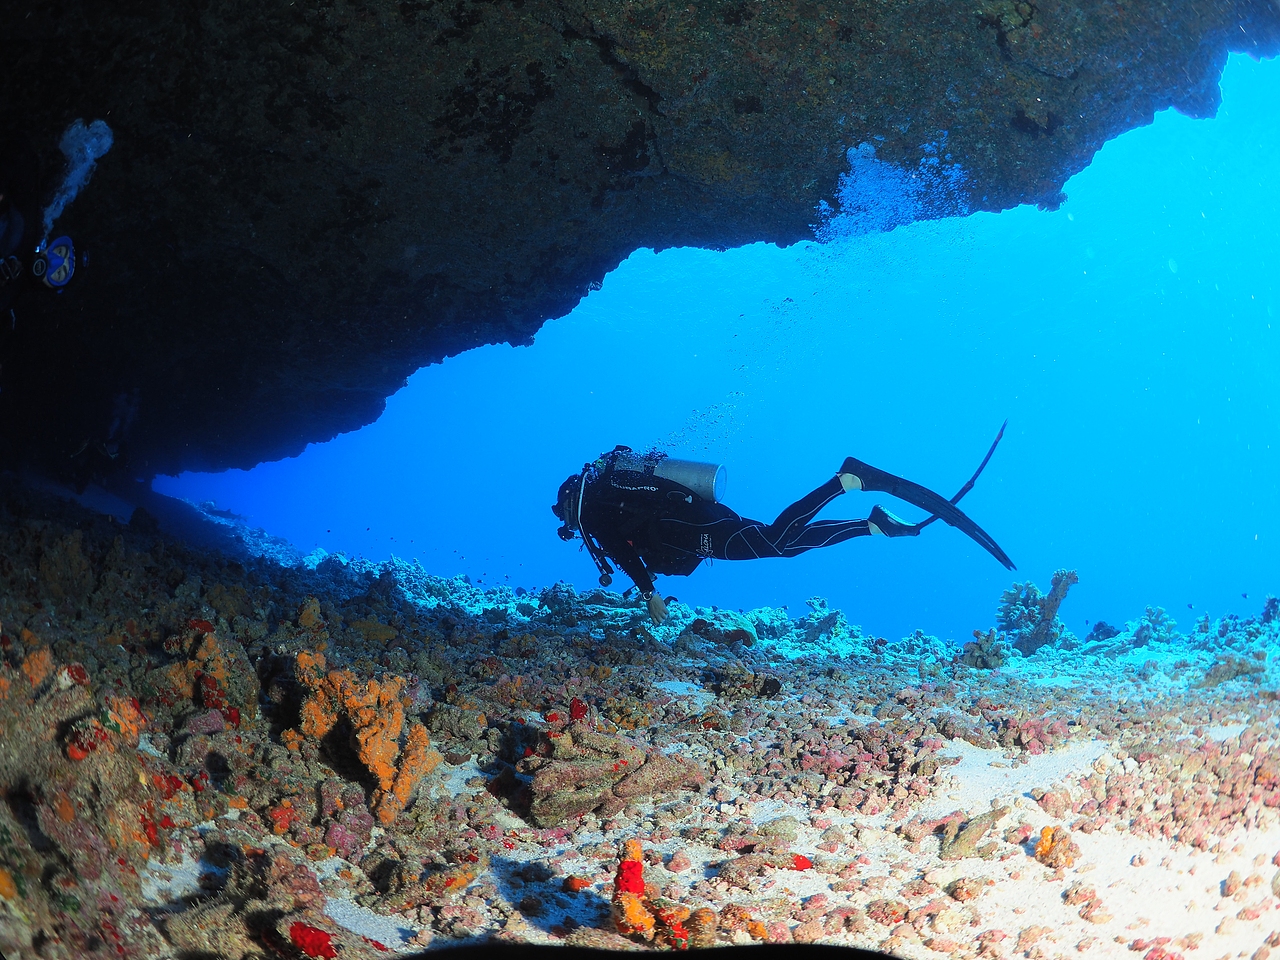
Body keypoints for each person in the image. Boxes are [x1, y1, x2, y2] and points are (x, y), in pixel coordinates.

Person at [552, 429, 1014, 624]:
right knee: (783, 545)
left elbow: (623, 550)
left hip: (686, 532)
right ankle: (872, 526)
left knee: (774, 538)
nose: (575, 530)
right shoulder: (610, 491)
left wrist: (649, 592)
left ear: (572, 508)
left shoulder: (594, 513)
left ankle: (847, 479)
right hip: (695, 518)